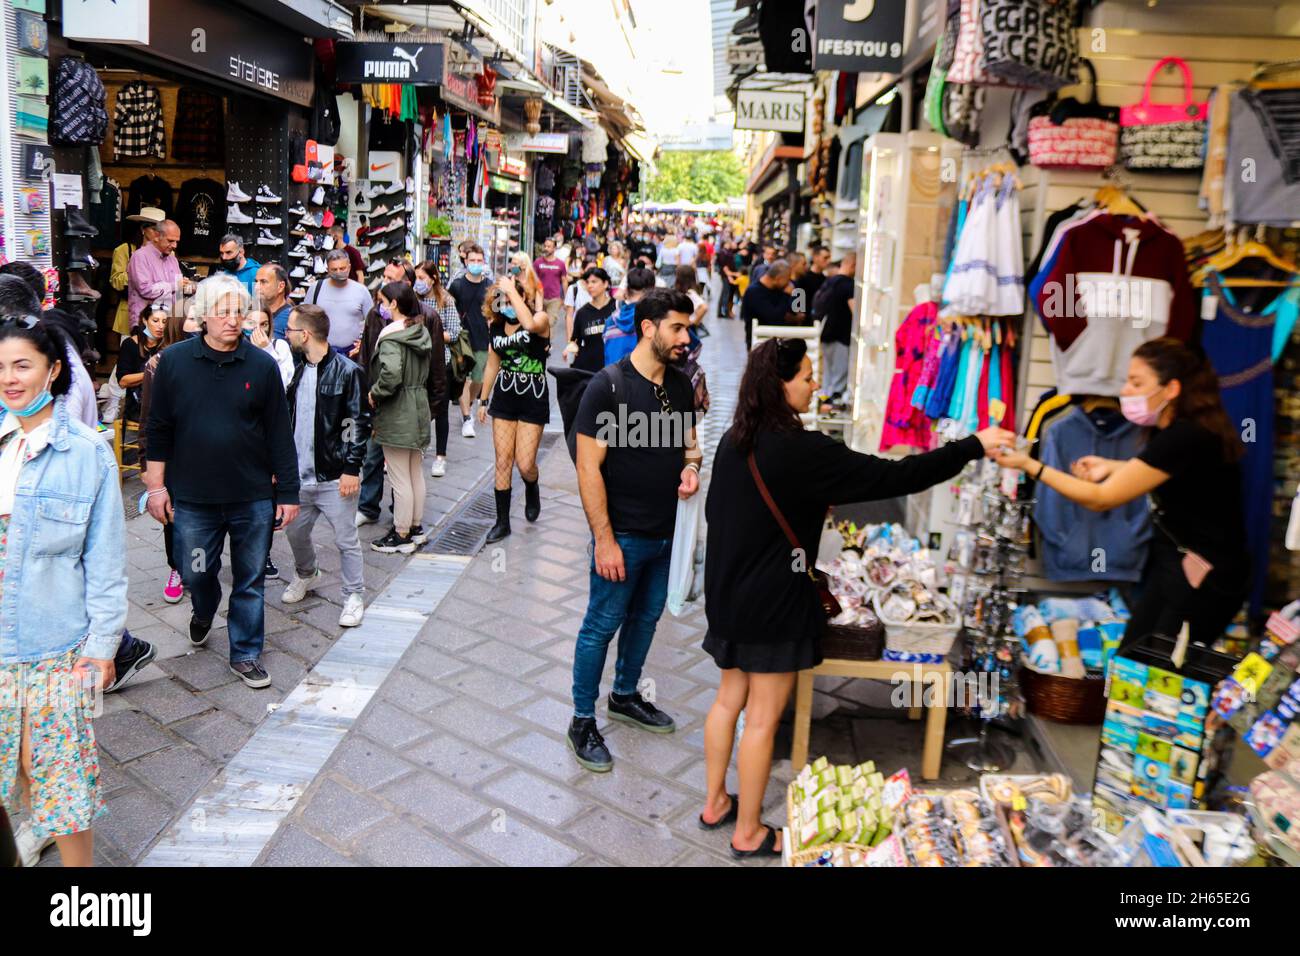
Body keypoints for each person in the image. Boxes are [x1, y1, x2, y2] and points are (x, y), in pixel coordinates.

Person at [700, 338, 1013, 856]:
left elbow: (718, 516)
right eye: (806, 375)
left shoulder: (735, 440)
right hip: (773, 602)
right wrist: (972, 445)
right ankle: (750, 831)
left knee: (728, 700)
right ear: (781, 384)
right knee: (761, 719)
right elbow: (898, 475)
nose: (816, 383)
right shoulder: (808, 450)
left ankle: (715, 803)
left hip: (728, 595)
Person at [995, 338, 1250, 648]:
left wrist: (1031, 465)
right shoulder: (1181, 432)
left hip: (1202, 579)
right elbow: (1170, 474)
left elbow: (1101, 498)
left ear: (1170, 389)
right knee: (1134, 662)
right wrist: (1114, 466)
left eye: (1136, 382)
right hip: (1179, 569)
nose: (1125, 390)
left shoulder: (1184, 436)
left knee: (1156, 674)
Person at [0, 314, 128, 867]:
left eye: (22, 365)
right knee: (18, 769)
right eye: (1, 367)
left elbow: (105, 560)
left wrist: (102, 648)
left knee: (58, 776)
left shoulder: (87, 453)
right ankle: (34, 830)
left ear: (52, 371)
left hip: (55, 643)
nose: (9, 378)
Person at [567, 288, 702, 772]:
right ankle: (582, 720)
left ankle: (624, 695)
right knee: (600, 626)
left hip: (667, 535)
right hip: (621, 534)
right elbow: (587, 469)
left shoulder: (682, 385)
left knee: (645, 621)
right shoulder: (609, 386)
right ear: (649, 328)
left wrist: (690, 468)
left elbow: (689, 445)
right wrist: (604, 539)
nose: (687, 336)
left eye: (688, 328)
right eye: (677, 327)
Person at [144, 274, 300, 689]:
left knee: (249, 579)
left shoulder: (262, 366)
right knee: (196, 572)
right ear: (202, 316)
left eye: (238, 311)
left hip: (251, 499)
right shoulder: (174, 363)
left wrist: (287, 492)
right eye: (222, 311)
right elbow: (157, 429)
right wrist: (156, 488)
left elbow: (280, 435)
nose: (232, 320)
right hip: (193, 500)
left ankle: (246, 652)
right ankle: (204, 608)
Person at [281, 303, 370, 628]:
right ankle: (307, 573)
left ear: (304, 334)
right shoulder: (297, 368)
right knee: (295, 534)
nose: (286, 334)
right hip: (299, 476)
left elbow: (358, 423)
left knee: (346, 540)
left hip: (334, 475)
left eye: (290, 329)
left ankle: (354, 595)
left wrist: (351, 468)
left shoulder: (347, 371)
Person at [478, 273, 551, 542]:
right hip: (505, 396)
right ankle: (502, 522)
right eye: (501, 299)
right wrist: (483, 400)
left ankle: (532, 484)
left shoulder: (540, 319)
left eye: (510, 298)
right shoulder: (496, 325)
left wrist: (512, 289)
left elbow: (530, 324)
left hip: (533, 395)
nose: (505, 303)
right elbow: (492, 364)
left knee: (525, 463)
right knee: (502, 460)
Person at [368, 281, 432, 554]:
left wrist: (375, 392)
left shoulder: (391, 335)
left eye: (382, 301)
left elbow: (391, 373)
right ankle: (416, 528)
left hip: (398, 407)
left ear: (393, 304)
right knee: (414, 470)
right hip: (418, 404)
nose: (380, 306)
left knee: (398, 475)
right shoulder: (419, 331)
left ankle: (402, 534)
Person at [139, 309, 191, 605]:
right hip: (171, 455)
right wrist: (145, 463)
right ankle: (177, 568)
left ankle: (199, 567)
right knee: (173, 515)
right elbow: (148, 418)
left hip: (207, 454)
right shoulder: (158, 365)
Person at [416, 261, 457, 478]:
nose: (418, 282)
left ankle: (440, 456)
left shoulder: (446, 301)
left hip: (441, 362)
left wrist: (431, 333)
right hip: (417, 361)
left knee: (441, 411)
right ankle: (418, 448)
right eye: (416, 278)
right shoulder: (412, 300)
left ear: (433, 278)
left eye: (422, 278)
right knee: (418, 408)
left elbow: (455, 333)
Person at [448, 244, 492, 438]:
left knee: (478, 379)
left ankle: (470, 403)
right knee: (463, 379)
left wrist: (495, 340)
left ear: (484, 262)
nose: (475, 264)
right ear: (465, 261)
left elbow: (496, 315)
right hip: (462, 339)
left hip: (483, 338)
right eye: (472, 260)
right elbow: (449, 309)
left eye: (479, 261)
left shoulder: (491, 286)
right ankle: (467, 418)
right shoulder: (457, 285)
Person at [127, 219, 194, 329]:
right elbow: (145, 289)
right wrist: (176, 285)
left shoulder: (173, 259)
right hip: (146, 324)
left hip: (170, 324)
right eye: (171, 240)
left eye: (177, 241)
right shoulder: (140, 256)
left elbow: (177, 293)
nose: (175, 245)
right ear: (157, 236)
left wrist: (190, 286)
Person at [305, 250, 372, 356]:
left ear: (349, 267)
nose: (339, 272)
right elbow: (306, 318)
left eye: (342, 268)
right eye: (334, 269)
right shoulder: (316, 288)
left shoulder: (361, 291)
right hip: (321, 352)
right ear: (327, 270)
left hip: (352, 353)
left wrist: (364, 344)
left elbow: (372, 322)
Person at [110, 209, 163, 342]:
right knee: (129, 356)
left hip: (157, 315)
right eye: (154, 229)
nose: (159, 234)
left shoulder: (167, 253)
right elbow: (116, 281)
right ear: (143, 229)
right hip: (129, 313)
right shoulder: (124, 250)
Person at [114, 301, 166, 424]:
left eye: (164, 322)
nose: (160, 326)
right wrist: (151, 373)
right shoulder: (130, 345)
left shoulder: (169, 346)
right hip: (138, 408)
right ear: (144, 320)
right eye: (155, 321)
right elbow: (123, 381)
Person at [815, 251, 856, 400]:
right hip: (841, 335)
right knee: (839, 375)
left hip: (826, 332)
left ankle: (824, 399)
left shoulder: (829, 281)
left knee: (828, 372)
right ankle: (831, 403)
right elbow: (855, 312)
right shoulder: (848, 285)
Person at [740, 258, 799, 349]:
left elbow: (792, 311)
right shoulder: (754, 292)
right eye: (787, 279)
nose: (789, 283)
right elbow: (774, 317)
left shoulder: (779, 289)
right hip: (759, 344)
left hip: (779, 341)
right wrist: (786, 295)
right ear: (777, 279)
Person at [566, 267, 615, 373]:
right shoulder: (582, 313)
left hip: (613, 370)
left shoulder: (616, 308)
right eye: (587, 282)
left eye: (594, 282)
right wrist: (570, 347)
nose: (590, 286)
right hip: (589, 371)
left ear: (605, 284)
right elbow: (575, 340)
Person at [603, 266, 655, 367]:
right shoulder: (655, 320)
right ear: (653, 290)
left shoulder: (610, 322)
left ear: (626, 291)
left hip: (613, 379)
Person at [244, 306, 295, 390]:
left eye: (264, 324)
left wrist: (267, 349)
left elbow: (282, 384)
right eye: (251, 323)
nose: (258, 329)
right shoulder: (236, 349)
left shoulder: (279, 346)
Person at [533, 237, 568, 334]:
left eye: (549, 246)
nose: (546, 248)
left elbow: (564, 281)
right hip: (539, 297)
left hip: (554, 299)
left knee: (550, 322)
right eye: (545, 246)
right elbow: (533, 279)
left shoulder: (560, 264)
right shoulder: (538, 262)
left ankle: (547, 343)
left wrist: (565, 298)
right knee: (539, 320)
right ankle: (540, 341)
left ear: (554, 249)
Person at [253, 262, 293, 339]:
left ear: (281, 286)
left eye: (263, 282)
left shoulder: (289, 318)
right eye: (256, 282)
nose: (256, 287)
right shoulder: (255, 311)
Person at [564, 256, 597, 340]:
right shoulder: (574, 289)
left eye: (595, 270)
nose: (593, 273)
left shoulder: (600, 289)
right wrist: (570, 340)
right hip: (579, 335)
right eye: (590, 269)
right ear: (582, 270)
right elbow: (569, 316)